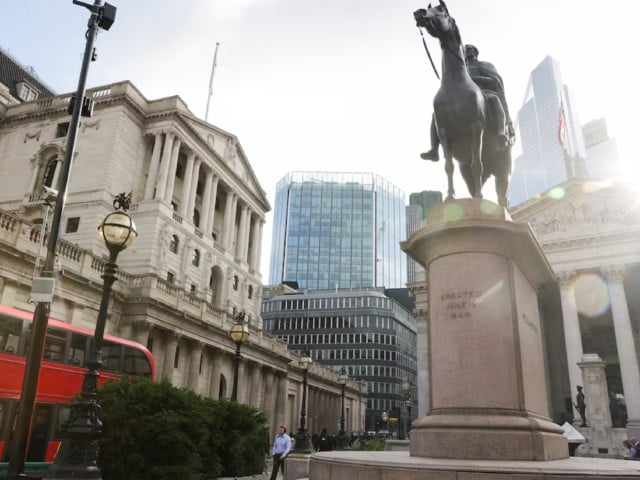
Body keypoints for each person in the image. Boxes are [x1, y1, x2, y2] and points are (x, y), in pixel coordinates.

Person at [421, 44, 514, 162]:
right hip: (462, 98)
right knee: (437, 113)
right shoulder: (459, 68)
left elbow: (494, 81)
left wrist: (474, 79)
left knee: (495, 100)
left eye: (471, 49)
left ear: (476, 53)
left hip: (484, 93)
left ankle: (501, 133)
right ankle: (434, 150)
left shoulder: (486, 66)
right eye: (466, 50)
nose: (468, 51)